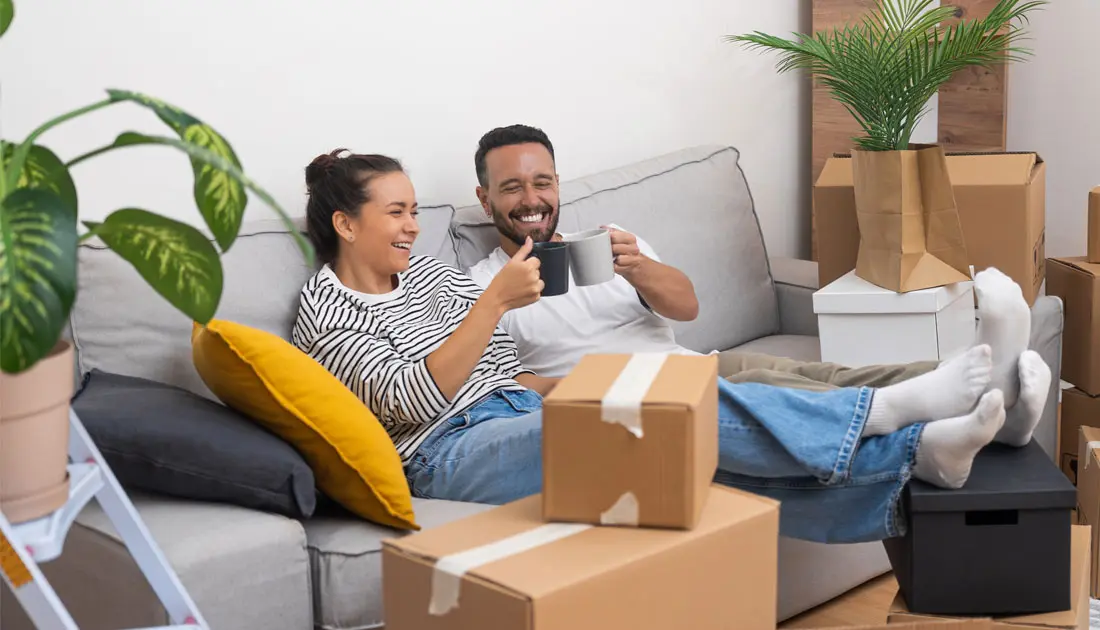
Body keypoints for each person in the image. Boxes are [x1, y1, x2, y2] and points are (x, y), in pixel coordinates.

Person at [291, 148, 1048, 545]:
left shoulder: (423, 278)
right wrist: (493, 304)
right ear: (346, 225)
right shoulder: (325, 315)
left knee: (701, 474)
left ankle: (919, 456)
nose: (413, 227)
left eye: (416, 211)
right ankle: (885, 416)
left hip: (516, 409)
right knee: (661, 407)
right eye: (396, 213)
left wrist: (562, 380)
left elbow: (498, 369)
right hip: (446, 454)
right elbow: (412, 398)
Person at [465, 123, 1047, 444]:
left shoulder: (612, 238)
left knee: (822, 375)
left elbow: (687, 307)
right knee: (778, 385)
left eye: (541, 182)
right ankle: (978, 401)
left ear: (558, 185)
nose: (531, 200)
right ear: (484, 199)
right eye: (511, 188)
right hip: (630, 392)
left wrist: (636, 266)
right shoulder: (481, 286)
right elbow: (502, 385)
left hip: (689, 361)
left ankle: (992, 386)